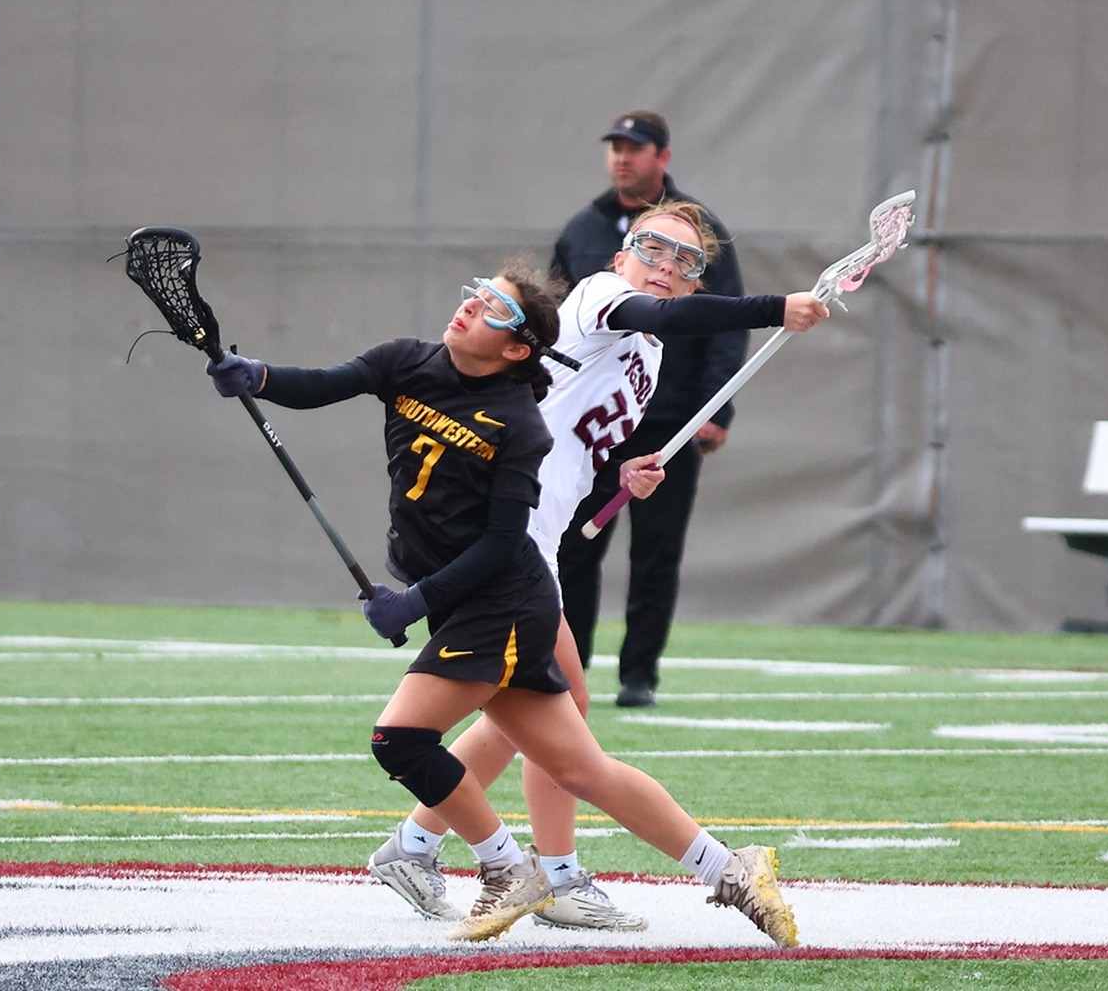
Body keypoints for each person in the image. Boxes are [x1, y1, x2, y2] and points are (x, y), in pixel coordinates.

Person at [207, 259, 801, 947]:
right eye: (475, 295)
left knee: (399, 738)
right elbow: (319, 386)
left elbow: (500, 544)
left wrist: (413, 603)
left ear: (518, 348)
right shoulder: (407, 360)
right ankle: (731, 870)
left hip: (501, 594)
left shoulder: (520, 423)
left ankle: (509, 868)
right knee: (577, 763)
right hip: (473, 589)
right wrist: (256, 376)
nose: (470, 307)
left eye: (493, 309)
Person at [365, 206, 826, 934]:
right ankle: (552, 873)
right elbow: (659, 314)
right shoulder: (599, 298)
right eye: (653, 247)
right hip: (503, 539)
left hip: (532, 542)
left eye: (686, 261)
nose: (666, 265)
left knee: (554, 719)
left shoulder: (649, 349)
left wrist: (624, 473)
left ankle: (432, 849)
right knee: (563, 737)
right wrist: (775, 308)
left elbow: (577, 429)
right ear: (623, 253)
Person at [551, 110, 747, 709]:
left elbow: (718, 319)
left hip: (669, 421)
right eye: (615, 146)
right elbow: (563, 316)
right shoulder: (587, 239)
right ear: (620, 258)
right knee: (572, 553)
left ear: (663, 157)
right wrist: (779, 307)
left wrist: (717, 406)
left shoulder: (701, 233)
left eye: (635, 148)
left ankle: (638, 674)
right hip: (586, 437)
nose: (622, 157)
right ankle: (569, 666)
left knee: (656, 554)